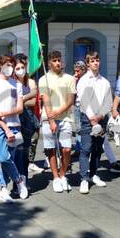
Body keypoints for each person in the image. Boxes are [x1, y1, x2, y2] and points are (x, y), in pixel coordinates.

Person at [0, 55, 28, 202]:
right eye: (7, 64)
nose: (9, 67)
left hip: (15, 125)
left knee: (9, 159)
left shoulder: (17, 85)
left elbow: (20, 108)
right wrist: (6, 129)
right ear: (1, 65)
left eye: (12, 64)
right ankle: (19, 181)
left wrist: (4, 114)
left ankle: (3, 189)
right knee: (3, 157)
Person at [38, 51, 76, 193]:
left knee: (66, 149)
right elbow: (46, 101)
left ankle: (62, 175)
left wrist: (58, 113)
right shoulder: (43, 79)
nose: (58, 63)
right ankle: (55, 178)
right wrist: (51, 120)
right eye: (54, 60)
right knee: (51, 149)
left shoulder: (70, 78)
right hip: (48, 118)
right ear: (49, 63)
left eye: (59, 60)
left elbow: (70, 100)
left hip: (65, 117)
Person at [76, 52, 113, 193]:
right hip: (87, 118)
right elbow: (84, 101)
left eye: (97, 60)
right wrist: (92, 119)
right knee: (86, 149)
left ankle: (93, 174)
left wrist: (101, 115)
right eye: (92, 61)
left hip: (101, 118)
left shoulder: (105, 82)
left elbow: (108, 101)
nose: (95, 63)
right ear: (88, 63)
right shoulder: (84, 80)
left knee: (98, 149)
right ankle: (84, 179)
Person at [14, 55, 41, 180]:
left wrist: (22, 99)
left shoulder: (30, 82)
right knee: (14, 152)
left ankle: (23, 178)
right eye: (18, 67)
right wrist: (27, 97)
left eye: (23, 66)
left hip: (28, 120)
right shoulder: (11, 83)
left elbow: (33, 102)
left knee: (25, 150)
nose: (21, 69)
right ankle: (15, 179)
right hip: (14, 120)